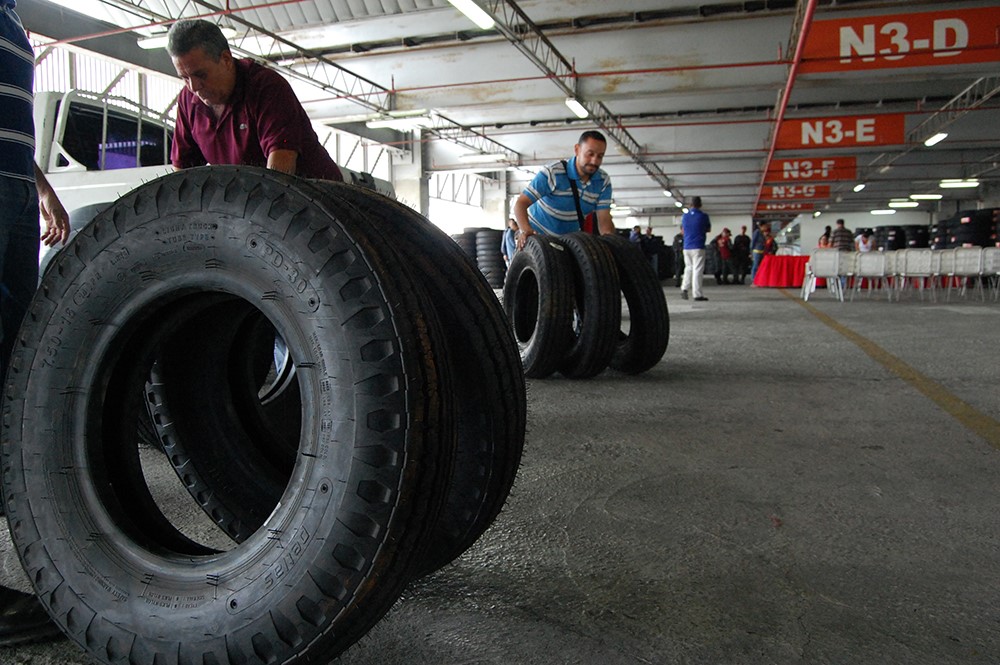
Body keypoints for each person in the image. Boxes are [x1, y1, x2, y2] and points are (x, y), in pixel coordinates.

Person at [1, 0, 71, 645]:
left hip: (16, 194)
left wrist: (42, 189)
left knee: (12, 366)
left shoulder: (13, 25)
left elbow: (12, 125)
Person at [167, 19, 343, 180]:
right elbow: (182, 174)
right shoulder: (187, 100)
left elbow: (280, 172)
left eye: (201, 75)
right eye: (184, 77)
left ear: (226, 59)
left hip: (318, 200)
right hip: (250, 202)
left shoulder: (266, 87)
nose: (194, 87)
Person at [512, 130, 614, 250]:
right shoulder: (553, 173)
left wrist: (610, 244)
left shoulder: (603, 181)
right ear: (577, 149)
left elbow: (604, 219)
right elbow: (520, 204)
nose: (594, 161)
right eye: (590, 154)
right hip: (537, 241)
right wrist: (526, 231)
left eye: (600, 156)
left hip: (566, 244)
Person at [680, 196, 711, 301]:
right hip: (698, 246)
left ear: (690, 204)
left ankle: (684, 288)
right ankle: (697, 294)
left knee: (688, 268)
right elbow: (708, 229)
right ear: (700, 205)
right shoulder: (703, 216)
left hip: (686, 246)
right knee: (697, 270)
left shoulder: (684, 216)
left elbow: (683, 230)